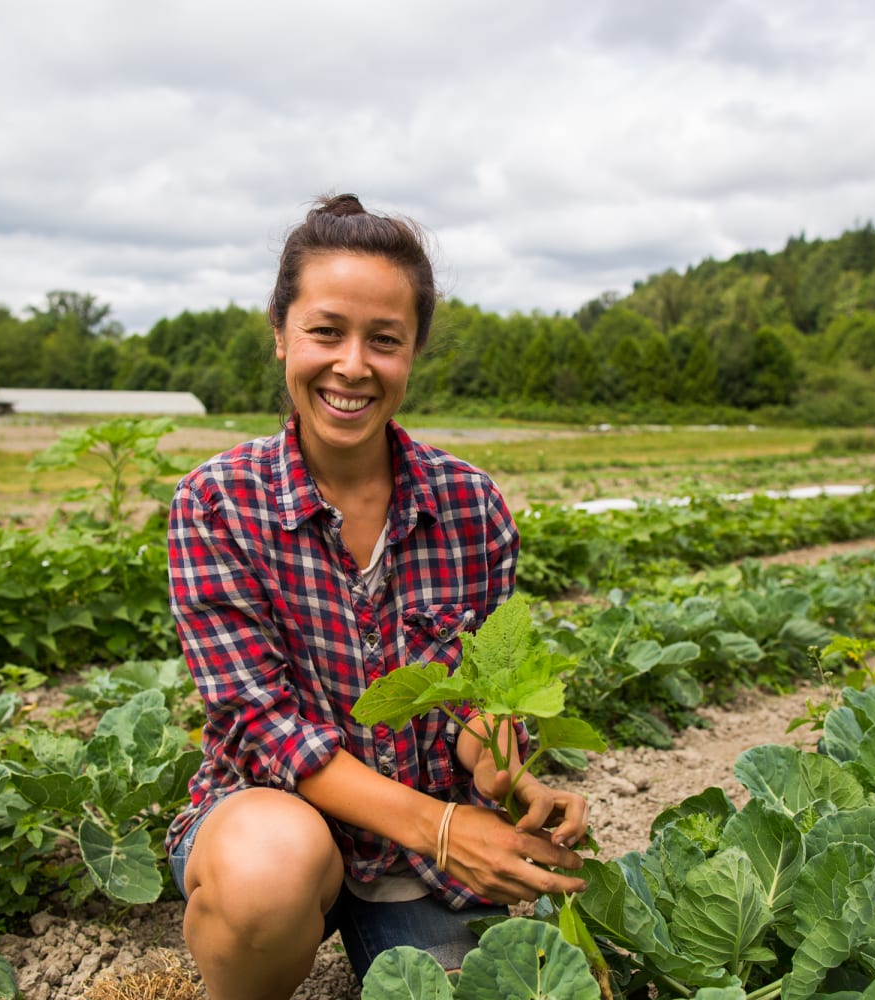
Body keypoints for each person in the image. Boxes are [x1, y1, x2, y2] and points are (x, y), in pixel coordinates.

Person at [164, 193, 590, 999]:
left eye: (384, 341)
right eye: (327, 331)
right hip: (279, 818)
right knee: (268, 870)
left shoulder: (470, 505)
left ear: (413, 352)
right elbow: (264, 728)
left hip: (419, 862)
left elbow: (480, 694)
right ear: (282, 332)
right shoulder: (217, 503)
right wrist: (443, 825)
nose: (353, 365)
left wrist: (508, 769)